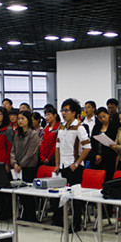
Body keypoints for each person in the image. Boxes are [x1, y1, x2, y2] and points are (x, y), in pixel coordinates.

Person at [53, 98, 91, 231]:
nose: (64, 113)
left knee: (75, 197)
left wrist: (77, 163)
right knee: (61, 194)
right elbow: (57, 147)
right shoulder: (61, 127)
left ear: (74, 113)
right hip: (63, 166)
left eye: (66, 110)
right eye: (62, 110)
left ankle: (76, 224)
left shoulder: (79, 127)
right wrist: (57, 164)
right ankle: (59, 220)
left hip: (74, 166)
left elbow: (87, 148)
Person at [11, 110, 42, 221]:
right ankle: (25, 214)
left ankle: (31, 215)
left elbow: (31, 153)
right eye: (19, 118)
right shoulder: (17, 135)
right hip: (17, 168)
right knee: (20, 192)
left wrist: (21, 164)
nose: (20, 121)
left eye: (22, 118)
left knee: (28, 192)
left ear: (28, 120)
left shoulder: (33, 134)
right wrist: (14, 163)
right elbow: (12, 150)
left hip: (29, 167)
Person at [89, 107, 119, 181]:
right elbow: (93, 142)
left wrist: (102, 156)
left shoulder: (114, 127)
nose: (103, 119)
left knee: (107, 179)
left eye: (104, 116)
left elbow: (114, 143)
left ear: (108, 115)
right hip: (96, 157)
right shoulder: (96, 127)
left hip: (108, 158)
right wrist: (96, 155)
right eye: (100, 118)